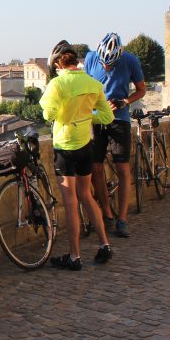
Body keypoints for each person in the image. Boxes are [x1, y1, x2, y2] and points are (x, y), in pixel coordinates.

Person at [40, 41, 115, 270]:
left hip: (65, 147)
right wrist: (86, 117)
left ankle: (74, 256)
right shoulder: (93, 83)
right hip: (86, 145)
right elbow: (107, 116)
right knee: (87, 195)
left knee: (71, 202)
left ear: (57, 64)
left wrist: (65, 115)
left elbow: (48, 113)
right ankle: (104, 244)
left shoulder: (57, 84)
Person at [84, 32, 146, 238]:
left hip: (119, 119)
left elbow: (141, 90)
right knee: (95, 167)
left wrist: (124, 102)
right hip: (96, 119)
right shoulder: (91, 58)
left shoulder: (130, 61)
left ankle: (122, 219)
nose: (107, 68)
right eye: (104, 64)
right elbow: (85, 87)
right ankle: (107, 215)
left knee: (122, 168)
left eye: (111, 65)